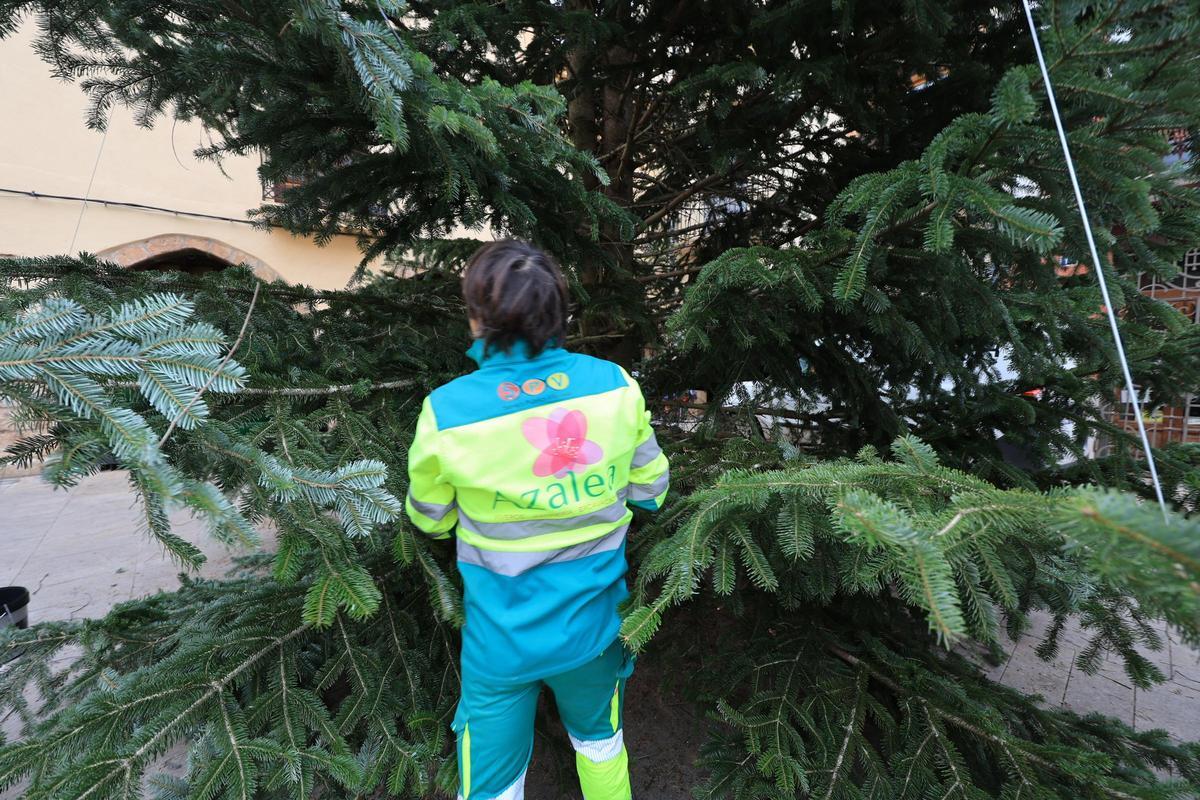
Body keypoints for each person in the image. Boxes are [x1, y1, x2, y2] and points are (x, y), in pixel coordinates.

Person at [404, 240, 669, 800]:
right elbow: (651, 492)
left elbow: (430, 519)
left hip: (501, 641)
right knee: (600, 743)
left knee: (493, 784)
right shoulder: (616, 386)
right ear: (558, 312)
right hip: (595, 631)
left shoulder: (446, 411)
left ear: (478, 317)